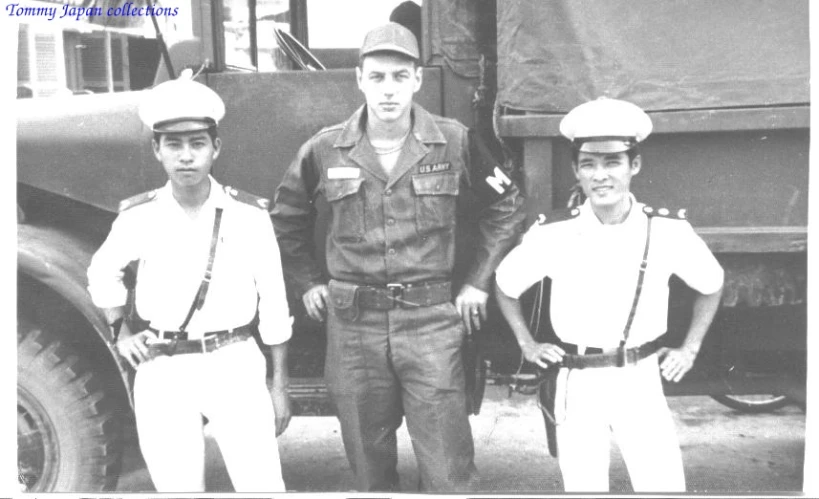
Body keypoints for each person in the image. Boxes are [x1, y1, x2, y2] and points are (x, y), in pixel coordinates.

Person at [271, 22, 525, 492]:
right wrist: (307, 282)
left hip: (429, 322)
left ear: (417, 81)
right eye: (378, 76)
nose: (388, 89)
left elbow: (506, 206)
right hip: (353, 327)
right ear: (359, 80)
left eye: (399, 76)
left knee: (448, 466)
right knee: (369, 466)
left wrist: (477, 281)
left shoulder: (455, 141)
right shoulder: (325, 148)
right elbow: (285, 216)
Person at [494, 97, 725, 493]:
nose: (601, 176)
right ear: (576, 171)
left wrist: (690, 348)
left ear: (634, 165)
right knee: (584, 488)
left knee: (663, 486)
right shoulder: (553, 234)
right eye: (589, 164)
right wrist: (527, 344)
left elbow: (711, 283)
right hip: (576, 378)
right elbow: (505, 284)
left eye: (613, 162)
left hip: (640, 376)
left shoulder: (666, 232)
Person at [87, 72, 292, 492]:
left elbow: (273, 300)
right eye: (174, 145)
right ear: (156, 150)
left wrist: (279, 385)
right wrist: (121, 332)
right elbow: (100, 272)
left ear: (216, 148)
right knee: (177, 486)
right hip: (164, 368)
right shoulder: (138, 217)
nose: (186, 157)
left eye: (197, 143)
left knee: (262, 486)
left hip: (233, 360)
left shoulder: (249, 216)